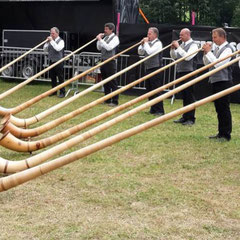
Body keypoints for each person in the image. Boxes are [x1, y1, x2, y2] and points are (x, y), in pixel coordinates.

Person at [203, 28, 233, 141]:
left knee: (224, 108)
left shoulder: (228, 49)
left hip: (224, 82)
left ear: (222, 37)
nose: (213, 39)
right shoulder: (215, 49)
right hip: (216, 81)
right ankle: (221, 133)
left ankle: (226, 135)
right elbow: (207, 64)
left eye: (215, 37)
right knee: (219, 108)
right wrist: (206, 53)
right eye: (212, 37)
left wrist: (209, 52)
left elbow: (219, 64)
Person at [170, 28, 199, 125]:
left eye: (181, 35)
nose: (180, 37)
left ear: (187, 35)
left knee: (189, 96)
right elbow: (174, 57)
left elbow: (187, 57)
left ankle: (191, 118)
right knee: (184, 95)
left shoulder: (194, 45)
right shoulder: (182, 45)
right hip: (181, 72)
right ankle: (185, 116)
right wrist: (172, 49)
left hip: (190, 73)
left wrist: (178, 47)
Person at [138, 27, 165, 116]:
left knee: (156, 90)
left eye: (150, 34)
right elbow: (140, 52)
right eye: (148, 33)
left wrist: (145, 43)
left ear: (155, 35)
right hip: (148, 68)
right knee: (149, 89)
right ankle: (153, 108)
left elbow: (150, 52)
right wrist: (142, 45)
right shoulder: (147, 43)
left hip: (156, 68)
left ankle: (160, 110)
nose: (147, 35)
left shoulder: (158, 43)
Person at [96, 22, 120, 106]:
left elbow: (109, 47)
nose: (104, 30)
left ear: (111, 30)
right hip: (103, 61)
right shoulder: (105, 38)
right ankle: (107, 99)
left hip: (110, 62)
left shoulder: (115, 38)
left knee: (112, 81)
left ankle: (115, 100)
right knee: (105, 81)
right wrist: (99, 40)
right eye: (104, 29)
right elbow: (99, 48)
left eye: (106, 29)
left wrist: (100, 40)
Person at [43, 27, 65, 98]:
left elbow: (58, 48)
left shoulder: (61, 41)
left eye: (53, 33)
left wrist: (52, 41)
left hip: (58, 61)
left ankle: (62, 92)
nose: (51, 35)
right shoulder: (50, 41)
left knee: (60, 77)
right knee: (53, 77)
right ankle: (54, 91)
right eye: (51, 33)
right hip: (51, 61)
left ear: (57, 33)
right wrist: (46, 43)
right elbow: (45, 50)